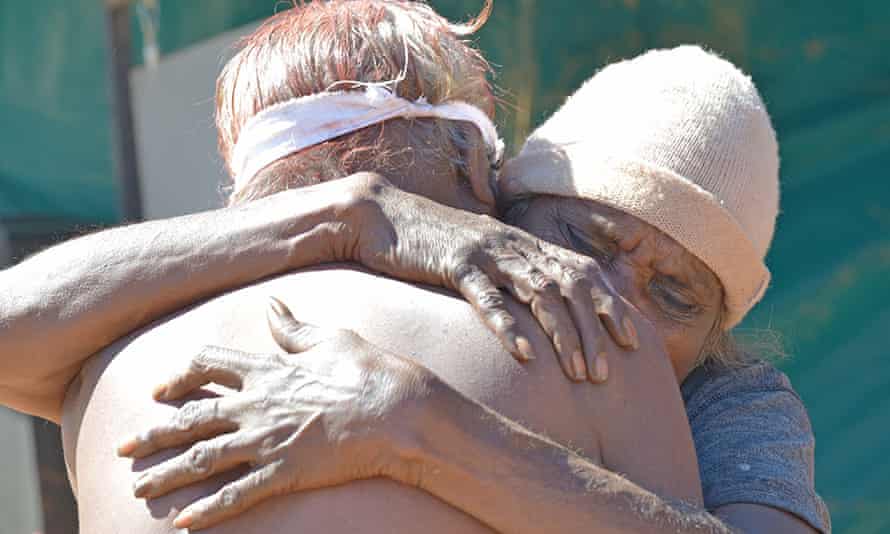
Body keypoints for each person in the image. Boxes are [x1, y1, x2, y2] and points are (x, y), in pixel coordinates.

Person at [0, 2, 828, 533]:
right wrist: (350, 217)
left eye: (675, 292)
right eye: (582, 243)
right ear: (491, 183)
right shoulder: (601, 361)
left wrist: (416, 426)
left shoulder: (103, 360)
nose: (611, 297)